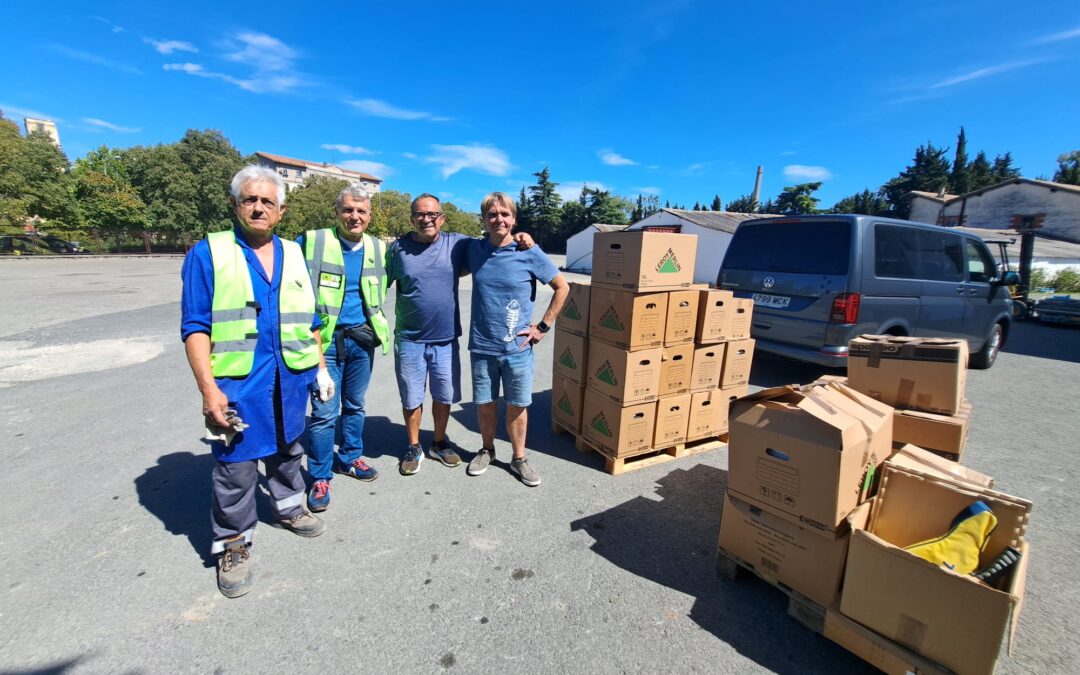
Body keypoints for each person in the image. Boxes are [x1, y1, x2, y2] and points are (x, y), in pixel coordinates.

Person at [181, 165, 331, 599]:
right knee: (236, 464)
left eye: (268, 201)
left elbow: (311, 320)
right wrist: (209, 390)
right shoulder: (209, 253)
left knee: (288, 448)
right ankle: (233, 542)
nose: (259, 208)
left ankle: (289, 508)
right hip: (238, 380)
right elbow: (195, 327)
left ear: (281, 210)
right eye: (251, 199)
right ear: (235, 205)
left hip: (291, 375)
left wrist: (320, 367)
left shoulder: (294, 253)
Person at [386, 194, 532, 476]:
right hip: (409, 338)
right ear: (412, 218)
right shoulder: (397, 249)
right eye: (420, 214)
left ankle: (439, 443)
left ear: (442, 218)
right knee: (412, 398)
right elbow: (379, 283)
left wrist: (521, 236)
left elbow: (495, 238)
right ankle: (414, 446)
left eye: (432, 214)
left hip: (445, 338)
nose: (427, 219)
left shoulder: (457, 244)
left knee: (443, 396)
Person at [463, 192, 569, 487]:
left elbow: (562, 287)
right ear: (484, 219)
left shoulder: (529, 252)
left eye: (504, 214)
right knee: (485, 403)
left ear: (514, 219)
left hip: (518, 348)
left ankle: (519, 458)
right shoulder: (473, 249)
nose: (498, 219)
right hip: (482, 346)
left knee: (517, 405)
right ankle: (487, 450)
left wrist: (543, 326)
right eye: (492, 214)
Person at [298, 184, 390, 512]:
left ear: (370, 215)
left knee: (355, 405)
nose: (354, 216)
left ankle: (350, 458)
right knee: (324, 412)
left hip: (361, 340)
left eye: (361, 211)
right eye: (348, 210)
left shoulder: (379, 248)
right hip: (324, 343)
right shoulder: (312, 241)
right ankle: (320, 476)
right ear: (337, 212)